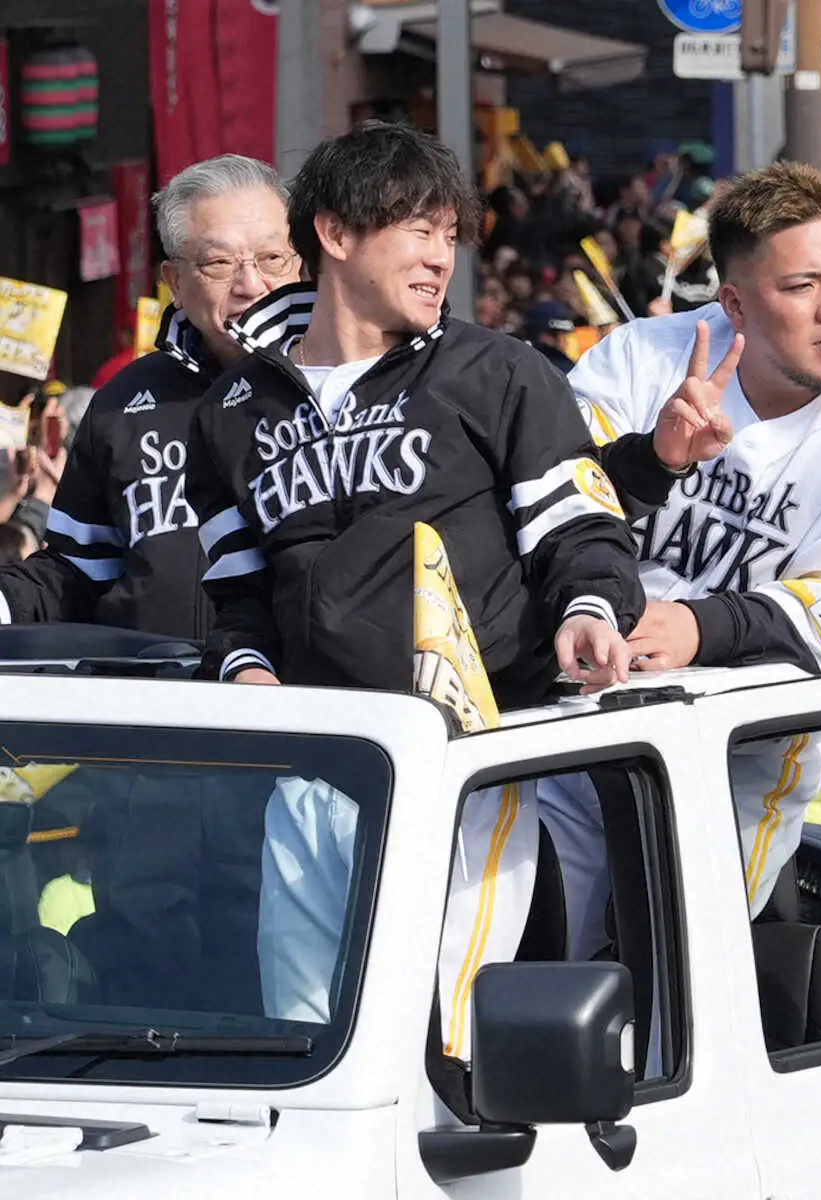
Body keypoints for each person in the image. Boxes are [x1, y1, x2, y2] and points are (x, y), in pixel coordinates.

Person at [184, 121, 649, 1062]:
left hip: (471, 761)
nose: (441, 256)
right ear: (336, 234)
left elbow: (581, 531)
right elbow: (233, 599)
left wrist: (590, 609)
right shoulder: (230, 414)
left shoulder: (499, 372)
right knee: (301, 1035)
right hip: (313, 767)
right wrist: (243, 672)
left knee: (435, 1037)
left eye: (449, 234)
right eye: (418, 230)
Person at [538, 160, 821, 957]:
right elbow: (551, 507)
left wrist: (697, 627)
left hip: (739, 755)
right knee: (520, 965)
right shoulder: (638, 358)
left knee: (665, 974)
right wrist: (652, 459)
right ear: (732, 302)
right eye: (801, 287)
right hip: (562, 721)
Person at [0, 154, 301, 639]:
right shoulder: (123, 403)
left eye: (271, 259)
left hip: (305, 705)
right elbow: (76, 572)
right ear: (176, 283)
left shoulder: (344, 389)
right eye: (219, 263)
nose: (251, 286)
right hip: (153, 698)